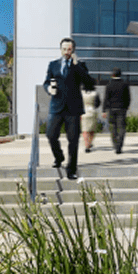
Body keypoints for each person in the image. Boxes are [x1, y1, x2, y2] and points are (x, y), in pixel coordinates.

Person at [43, 37, 94, 179]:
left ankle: (71, 169)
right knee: (50, 135)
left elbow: (88, 82)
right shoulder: (53, 65)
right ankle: (59, 157)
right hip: (56, 107)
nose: (66, 52)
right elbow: (46, 82)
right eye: (64, 49)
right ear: (60, 49)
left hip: (73, 108)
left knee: (73, 140)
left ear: (73, 50)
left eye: (69, 49)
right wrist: (49, 89)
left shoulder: (80, 66)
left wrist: (76, 64)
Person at [103, 68, 131, 154]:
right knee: (122, 128)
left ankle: (116, 145)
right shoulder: (125, 84)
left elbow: (106, 98)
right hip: (122, 109)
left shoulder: (109, 84)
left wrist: (104, 110)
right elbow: (128, 97)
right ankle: (120, 145)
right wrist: (126, 106)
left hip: (111, 109)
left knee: (113, 127)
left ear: (112, 75)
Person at [80, 84, 101, 152]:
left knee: (85, 130)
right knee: (92, 130)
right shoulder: (95, 93)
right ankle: (90, 143)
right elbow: (98, 104)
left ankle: (86, 145)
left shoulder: (81, 93)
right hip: (92, 112)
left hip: (83, 112)